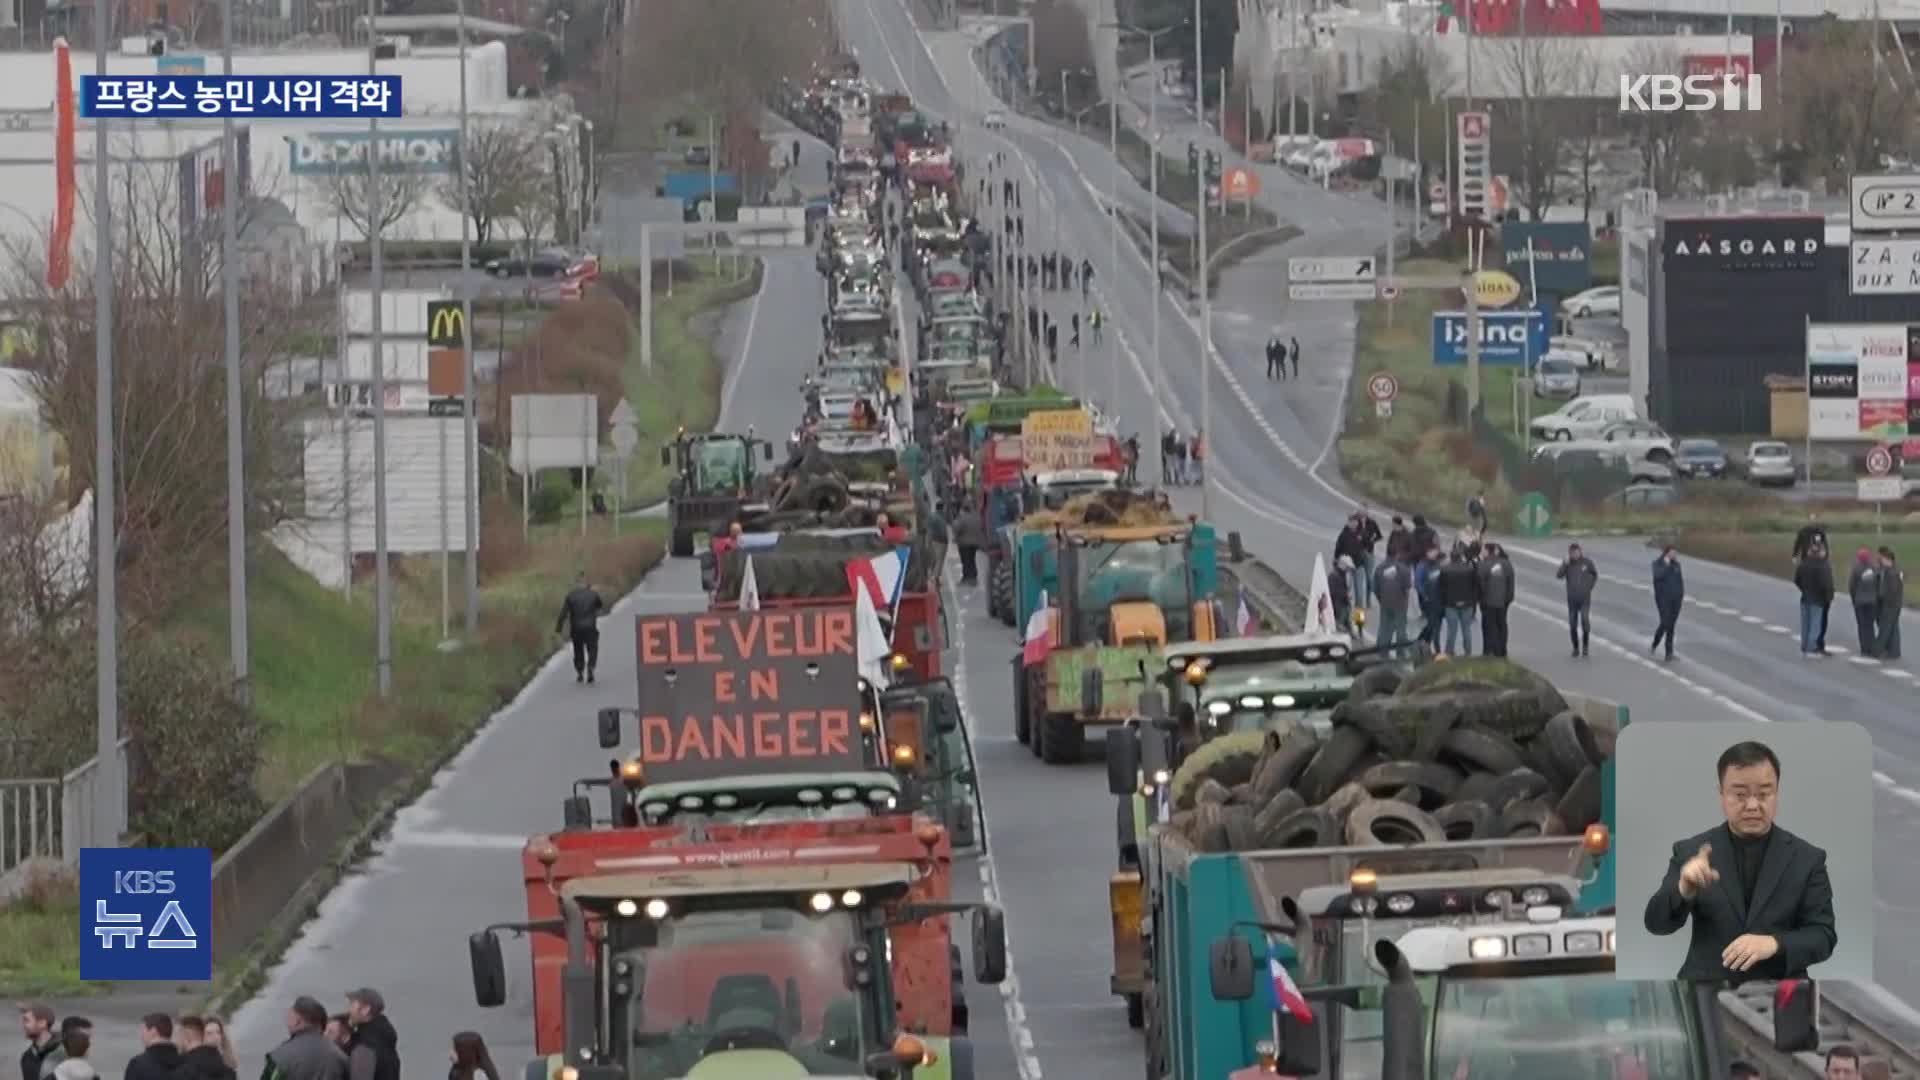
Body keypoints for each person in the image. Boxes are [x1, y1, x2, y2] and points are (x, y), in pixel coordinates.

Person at [1641, 740, 1836, 983]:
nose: (1753, 805)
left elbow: (1823, 936)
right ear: (1721, 794)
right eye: (1740, 795)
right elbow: (1656, 924)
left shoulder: (1808, 859)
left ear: (1777, 793)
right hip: (1706, 993)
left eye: (1764, 794)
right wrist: (1684, 889)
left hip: (1780, 994)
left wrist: (1774, 943)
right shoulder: (1691, 852)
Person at [263, 997, 347, 1080]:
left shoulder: (281, 1056)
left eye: (289, 1016)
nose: (286, 1020)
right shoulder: (340, 1057)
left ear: (297, 1021)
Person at [555, 572, 608, 684]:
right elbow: (600, 607)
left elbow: (563, 614)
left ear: (576, 583)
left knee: (578, 649)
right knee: (592, 648)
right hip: (590, 627)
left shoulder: (570, 596)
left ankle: (579, 671)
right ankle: (591, 667)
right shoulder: (593, 594)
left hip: (576, 628)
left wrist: (558, 629)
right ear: (586, 583)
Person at [344, 989, 399, 1080]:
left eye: (352, 1005)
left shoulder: (366, 1044)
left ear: (365, 1009)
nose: (349, 1010)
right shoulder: (384, 1039)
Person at [1556, 543, 1598, 658]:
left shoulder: (1587, 562)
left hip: (1584, 598)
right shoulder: (1568, 564)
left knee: (1585, 621)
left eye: (1577, 552)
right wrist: (1564, 564)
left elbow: (1594, 574)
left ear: (1580, 551)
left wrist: (1589, 586)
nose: (1575, 555)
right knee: (1573, 624)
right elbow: (1559, 575)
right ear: (1570, 554)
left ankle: (1585, 646)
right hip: (1572, 599)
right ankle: (1575, 647)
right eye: (1572, 553)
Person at [1793, 543, 1835, 658]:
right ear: (1821, 552)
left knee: (1805, 624)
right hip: (1818, 599)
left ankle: (1805, 646)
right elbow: (1826, 584)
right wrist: (1828, 597)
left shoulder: (1803, 564)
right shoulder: (1823, 565)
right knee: (1815, 624)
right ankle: (1812, 648)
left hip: (1805, 597)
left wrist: (1804, 589)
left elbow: (1797, 580)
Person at [1476, 542, 1516, 657]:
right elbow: (1511, 582)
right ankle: (1502, 650)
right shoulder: (1507, 564)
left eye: (1483, 550)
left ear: (1488, 551)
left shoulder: (1483, 565)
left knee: (1489, 626)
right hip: (1503, 601)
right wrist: (1508, 598)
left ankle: (1489, 650)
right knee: (1502, 625)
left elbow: (1480, 583)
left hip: (1488, 601)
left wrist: (1481, 598)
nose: (1481, 552)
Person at [1439, 546, 1479, 656]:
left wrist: (1443, 603)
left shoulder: (1445, 570)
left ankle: (1449, 651)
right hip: (1467, 604)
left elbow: (1441, 588)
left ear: (1451, 557)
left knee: (1452, 630)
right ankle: (1468, 652)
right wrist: (1473, 603)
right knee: (1466, 630)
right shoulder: (1469, 569)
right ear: (1461, 557)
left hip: (1450, 604)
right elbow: (1474, 587)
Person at [1372, 551, 1411, 655]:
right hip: (1400, 603)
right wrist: (1405, 602)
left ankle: (1383, 653)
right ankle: (1400, 653)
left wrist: (1381, 600)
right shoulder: (1404, 569)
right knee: (1400, 630)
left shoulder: (1379, 568)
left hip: (1385, 603)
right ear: (1397, 555)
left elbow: (1375, 589)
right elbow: (1407, 590)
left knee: (1385, 629)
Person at [1650, 545, 1684, 661]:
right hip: (1663, 599)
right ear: (1667, 553)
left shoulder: (1677, 565)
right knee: (1665, 622)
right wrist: (1667, 565)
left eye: (1675, 553)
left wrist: (1680, 595)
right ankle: (1655, 642)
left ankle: (1669, 653)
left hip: (1675, 599)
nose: (1675, 555)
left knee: (1671, 625)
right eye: (1673, 553)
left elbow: (1680, 581)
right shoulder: (1657, 564)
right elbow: (1658, 576)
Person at [1846, 548, 1881, 658]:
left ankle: (1864, 648)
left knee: (1861, 625)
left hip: (1860, 601)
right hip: (1872, 601)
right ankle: (1872, 647)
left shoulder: (1856, 569)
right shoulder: (1875, 568)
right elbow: (1879, 584)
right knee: (1870, 625)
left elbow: (1852, 586)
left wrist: (1854, 599)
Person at [123, 1015, 181, 1080]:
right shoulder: (187, 1062)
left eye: (142, 1030)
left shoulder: (138, 1064)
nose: (141, 1035)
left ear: (153, 1031)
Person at [1876, 547, 1903, 660]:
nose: (1881, 561)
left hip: (1890, 604)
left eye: (1883, 559)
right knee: (1893, 627)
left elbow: (1890, 590)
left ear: (1889, 560)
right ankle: (1894, 651)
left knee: (1885, 627)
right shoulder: (1895, 571)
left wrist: (1882, 597)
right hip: (1896, 603)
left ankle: (1878, 650)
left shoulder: (1891, 573)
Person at [1413, 547, 1443, 649]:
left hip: (1439, 600)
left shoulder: (1438, 565)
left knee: (1436, 624)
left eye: (1436, 552)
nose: (1435, 554)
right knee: (1432, 623)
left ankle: (1426, 643)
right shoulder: (1422, 566)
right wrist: (1424, 596)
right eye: (1433, 552)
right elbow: (1418, 583)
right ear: (1427, 553)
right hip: (1429, 600)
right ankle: (1424, 642)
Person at [21, 1005, 60, 1080]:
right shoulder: (27, 1057)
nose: (23, 1025)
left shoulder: (65, 1052)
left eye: (26, 1020)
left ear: (42, 1023)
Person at [952, 508, 984, 585]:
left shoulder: (962, 518)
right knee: (972, 560)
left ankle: (966, 578)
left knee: (965, 561)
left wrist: (955, 537)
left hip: (964, 543)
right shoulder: (976, 517)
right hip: (974, 543)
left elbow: (957, 528)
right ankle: (974, 577)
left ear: (963, 511)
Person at [1329, 555, 1353, 632]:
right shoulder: (1335, 577)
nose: (1349, 570)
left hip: (1341, 606)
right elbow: (1335, 595)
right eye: (1348, 568)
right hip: (1337, 608)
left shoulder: (1342, 576)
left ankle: (1347, 628)